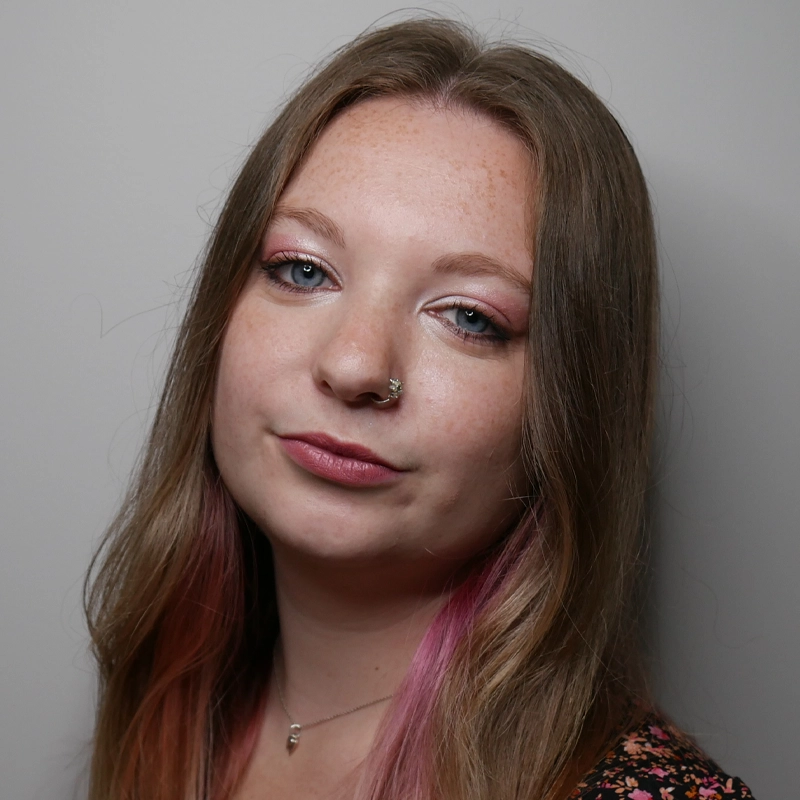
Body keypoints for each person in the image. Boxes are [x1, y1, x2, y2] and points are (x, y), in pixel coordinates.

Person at [83, 17, 755, 800]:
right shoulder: (174, 711)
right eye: (303, 270)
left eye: (469, 316)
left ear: (569, 413)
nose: (355, 365)